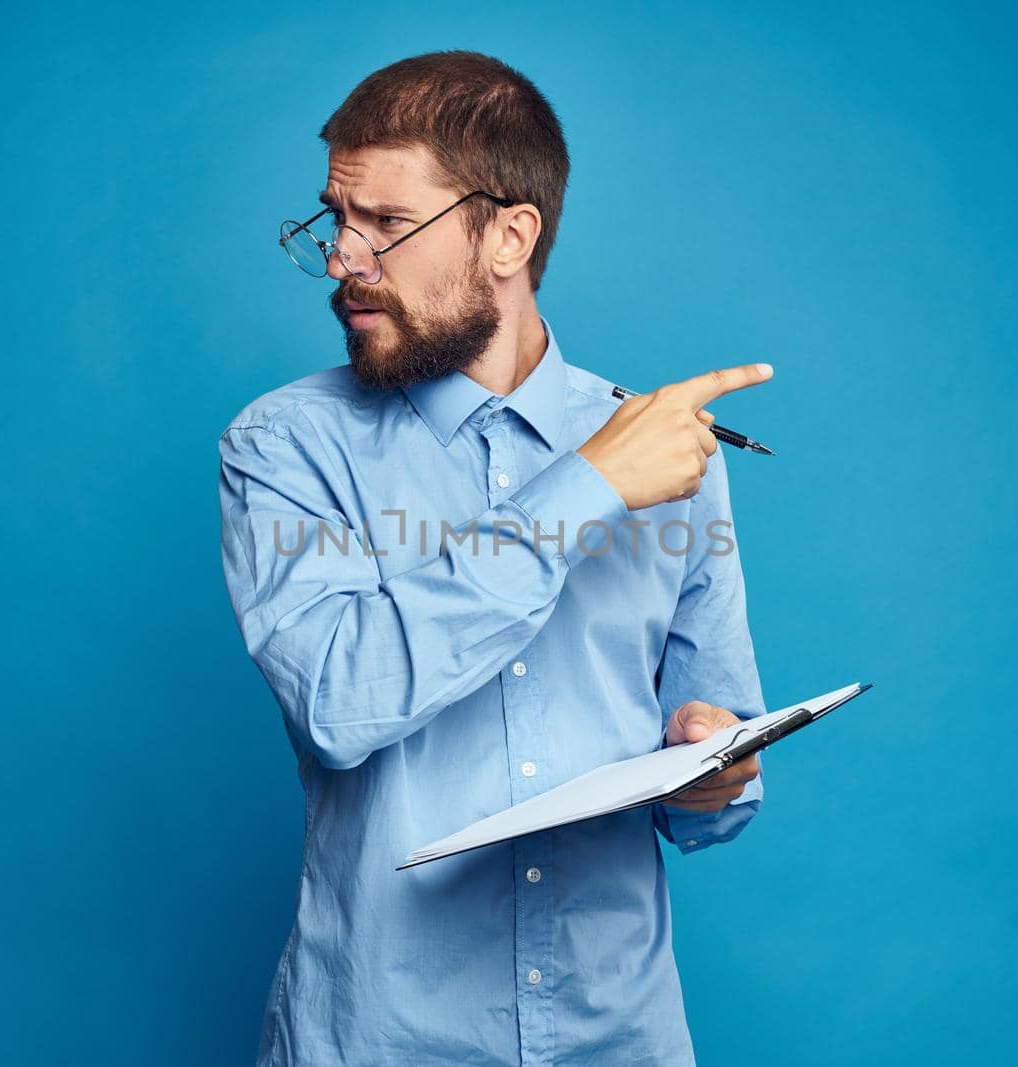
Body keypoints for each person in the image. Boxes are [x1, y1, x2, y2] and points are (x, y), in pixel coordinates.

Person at [219, 50, 775, 1067]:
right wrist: (587, 487)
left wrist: (717, 767)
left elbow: (716, 759)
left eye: (386, 224)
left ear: (510, 234)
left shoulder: (665, 450)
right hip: (377, 1039)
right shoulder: (284, 446)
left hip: (620, 1036)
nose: (345, 257)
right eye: (336, 219)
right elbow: (341, 702)